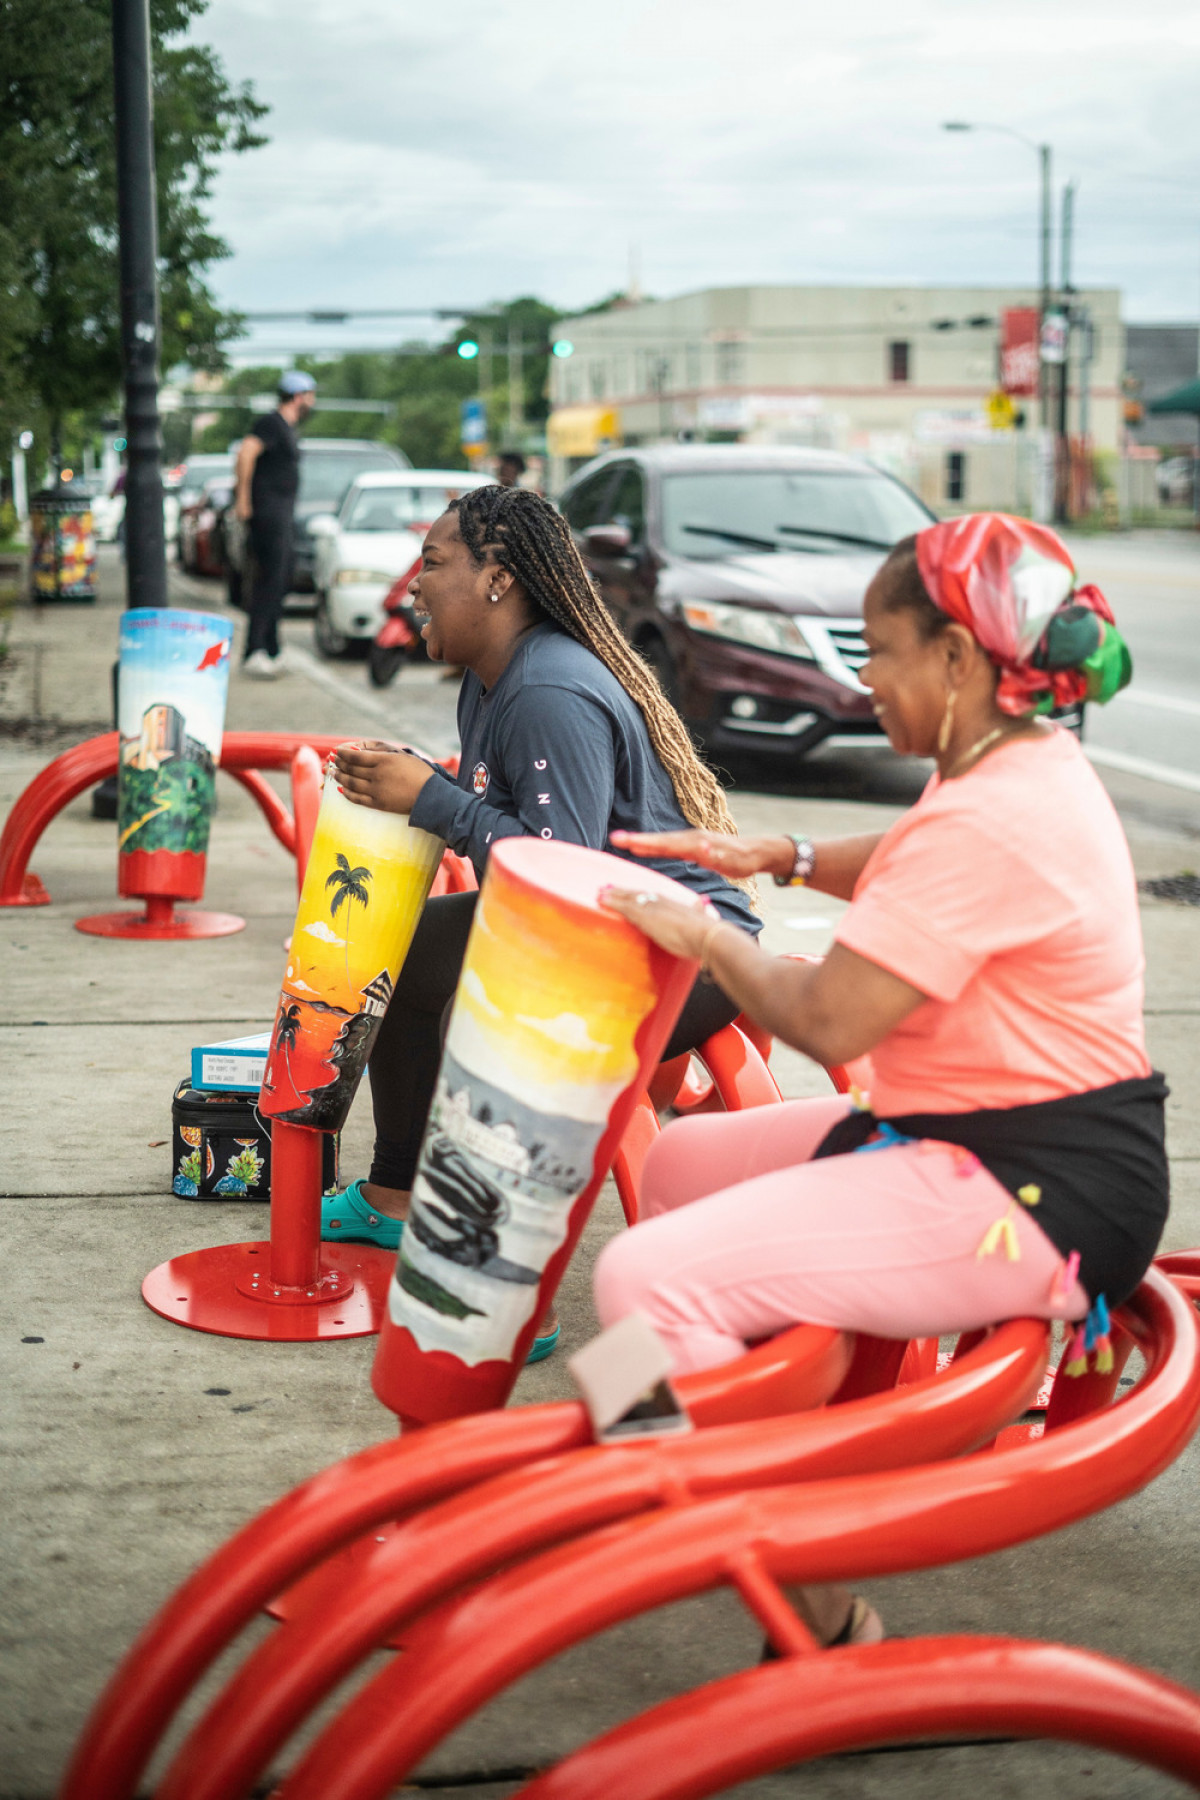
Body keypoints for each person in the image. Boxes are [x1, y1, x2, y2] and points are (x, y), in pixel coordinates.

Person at [594, 512, 1160, 1647]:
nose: (868, 681)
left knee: (640, 1285)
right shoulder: (1018, 754)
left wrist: (706, 936)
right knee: (679, 1170)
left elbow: (821, 1013)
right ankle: (770, 1418)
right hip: (962, 1135)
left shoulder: (996, 814)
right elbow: (913, 850)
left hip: (1028, 1190)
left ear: (957, 659)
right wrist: (783, 857)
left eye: (879, 653)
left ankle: (785, 1570)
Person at [324, 483, 762, 1359]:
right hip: (606, 928)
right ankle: (399, 1197)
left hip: (684, 953)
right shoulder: (491, 682)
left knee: (484, 1018)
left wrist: (439, 804)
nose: (413, 584)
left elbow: (572, 880)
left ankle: (501, 1290)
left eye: (434, 562)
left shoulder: (547, 690)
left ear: (498, 580)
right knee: (400, 960)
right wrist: (424, 786)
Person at [234, 371, 316, 679]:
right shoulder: (270, 423)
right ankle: (254, 650)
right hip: (268, 514)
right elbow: (246, 453)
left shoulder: (287, 428)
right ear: (298, 396)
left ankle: (271, 648)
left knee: (281, 579)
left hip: (282, 514)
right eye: (310, 395)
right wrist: (243, 499)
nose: (312, 402)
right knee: (268, 580)